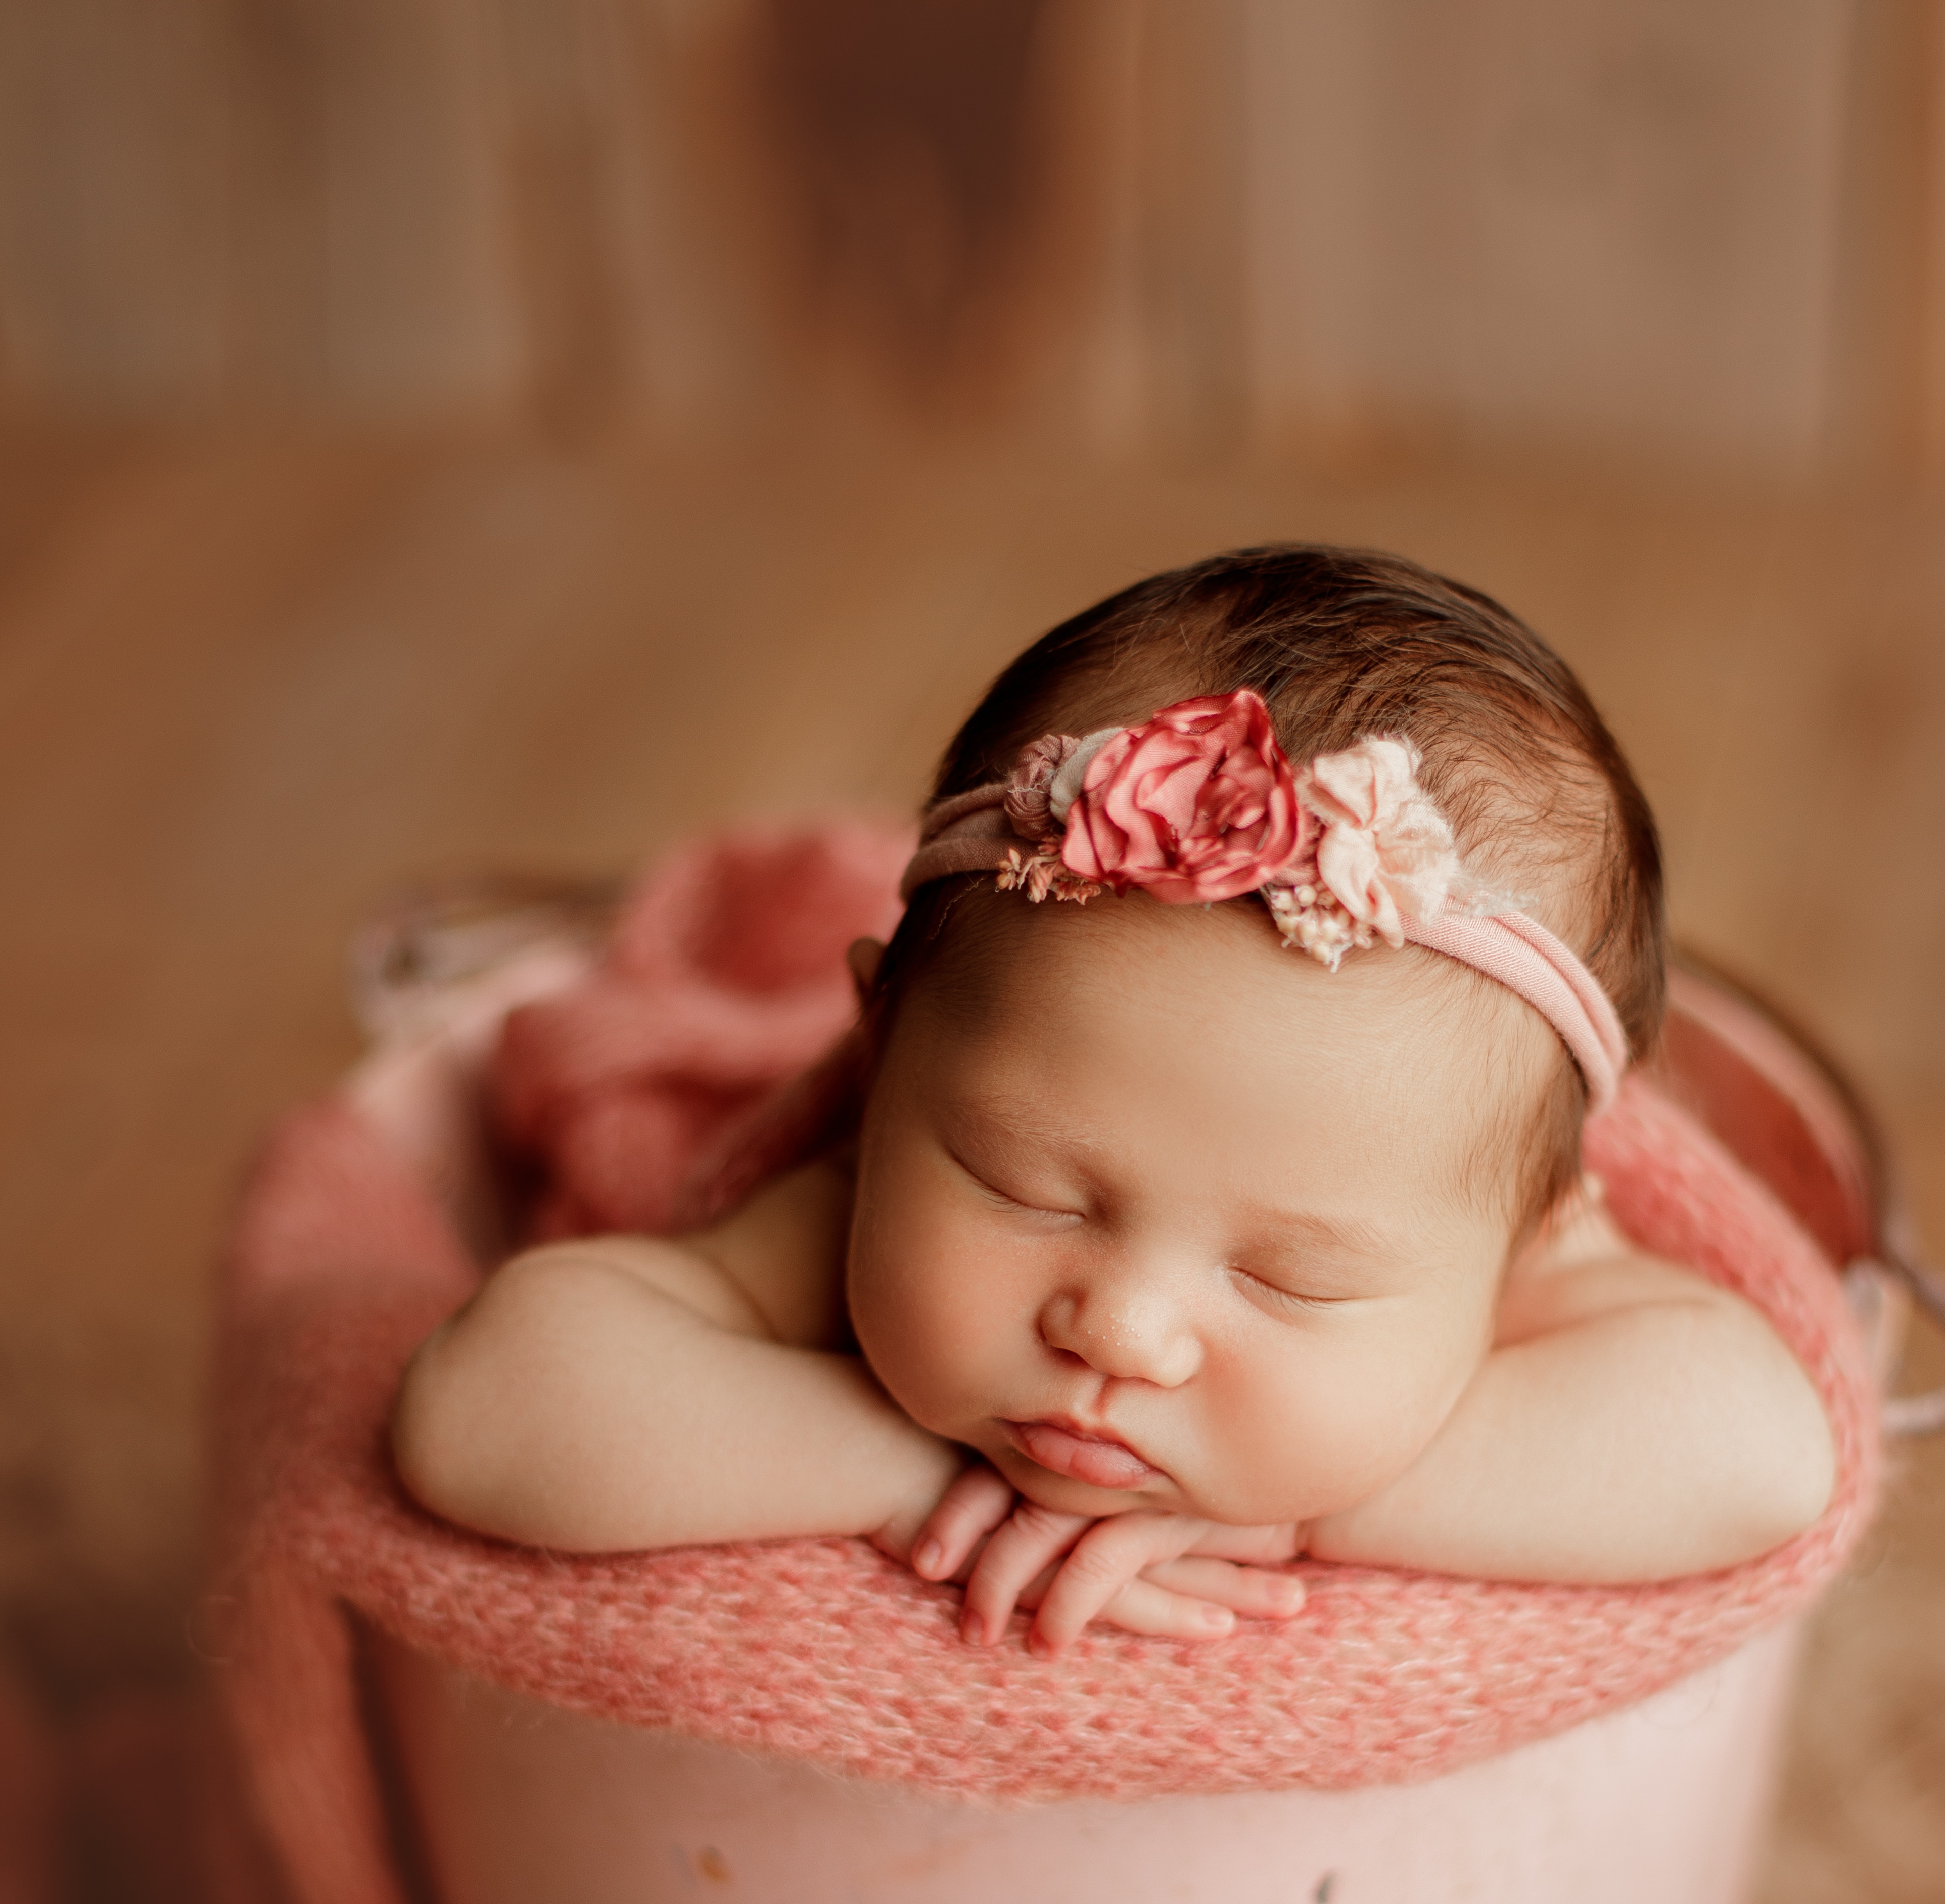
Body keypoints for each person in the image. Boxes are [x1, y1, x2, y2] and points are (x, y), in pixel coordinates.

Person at [392, 546, 1837, 1653]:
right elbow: (482, 1408)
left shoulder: (1481, 1227)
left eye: (1289, 1276)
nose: (1121, 1330)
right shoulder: (831, 1216)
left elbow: (1759, 1451)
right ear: (878, 1054)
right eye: (1029, 1189)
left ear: (1528, 1240)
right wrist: (888, 1464)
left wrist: (1293, 1506)